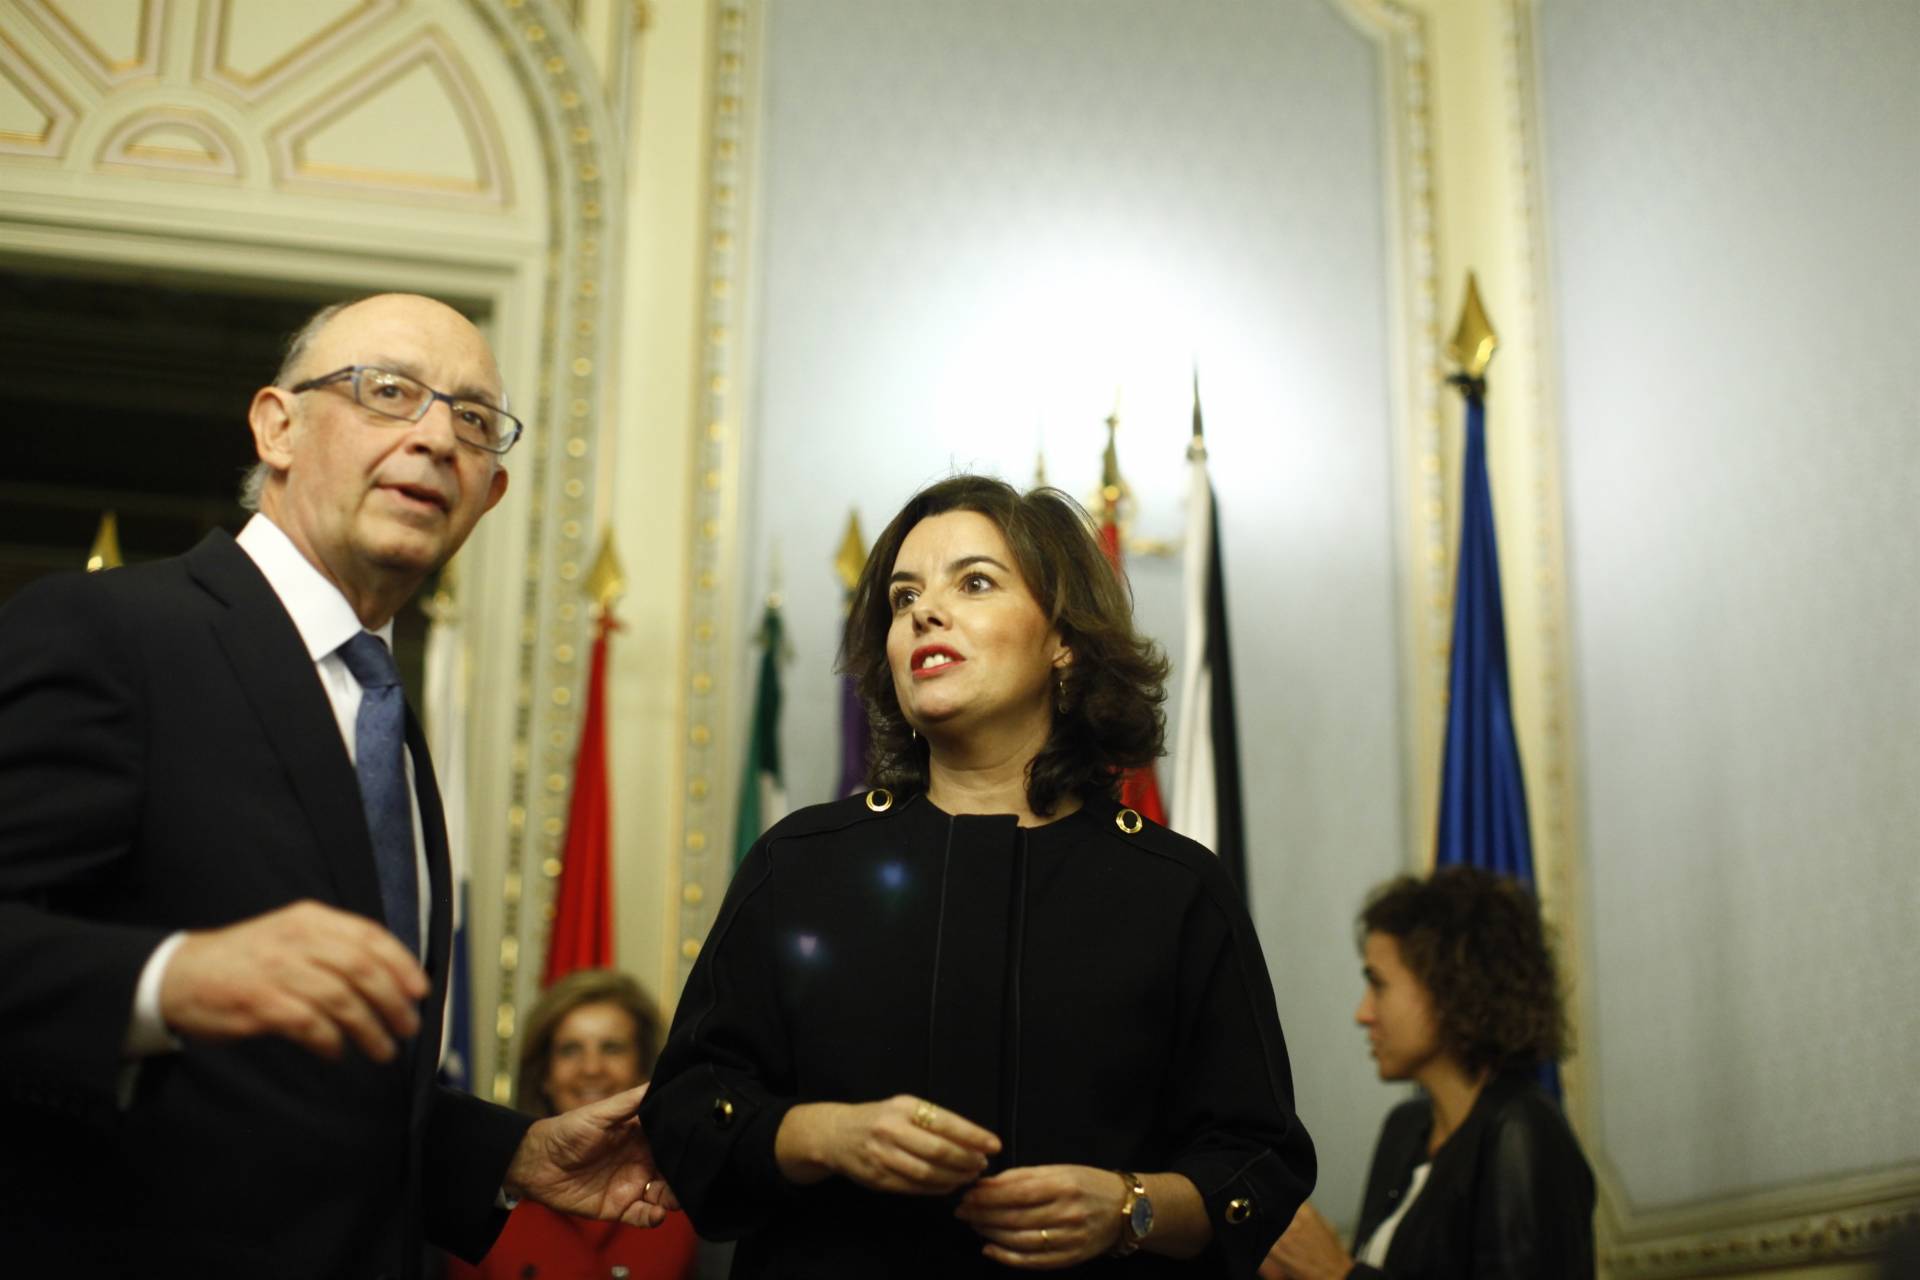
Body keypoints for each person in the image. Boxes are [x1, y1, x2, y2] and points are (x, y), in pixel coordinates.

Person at [0, 294, 672, 1277]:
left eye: (474, 420)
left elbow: (329, 1094)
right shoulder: (112, 633)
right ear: (278, 425)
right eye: (389, 390)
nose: (438, 435)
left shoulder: (385, 708)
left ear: (490, 493)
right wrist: (172, 977)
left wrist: (508, 1153)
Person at [640, 474, 1316, 1277]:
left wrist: (1130, 1206)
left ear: (1063, 637)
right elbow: (686, 1108)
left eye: (975, 582)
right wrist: (822, 1134)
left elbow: (1259, 1160)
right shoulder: (802, 862)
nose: (924, 611)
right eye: (902, 598)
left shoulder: (1174, 886)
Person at [1260, 867, 1594, 1280]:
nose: (1363, 1014)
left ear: (1451, 988)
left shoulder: (1522, 1131)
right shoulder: (1405, 1129)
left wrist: (1337, 1274)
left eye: (1379, 986)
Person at [449, 969, 700, 1279]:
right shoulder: (490, 1200)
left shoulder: (685, 1199)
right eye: (570, 1050)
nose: (592, 1068)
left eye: (612, 1048)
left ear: (643, 1067)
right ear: (544, 1076)